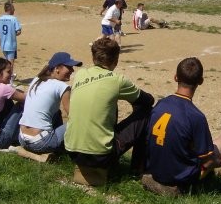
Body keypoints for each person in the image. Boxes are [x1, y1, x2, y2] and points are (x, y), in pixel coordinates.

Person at [144, 57, 221, 193]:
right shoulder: (196, 116)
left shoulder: (161, 104)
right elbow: (208, 162)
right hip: (179, 179)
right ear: (200, 81)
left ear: (175, 77)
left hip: (155, 170)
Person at [65, 38, 154, 174]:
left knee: (108, 104)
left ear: (93, 58)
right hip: (100, 156)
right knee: (147, 112)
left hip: (72, 152)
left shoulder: (80, 74)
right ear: (116, 60)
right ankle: (137, 168)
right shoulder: (117, 80)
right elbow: (148, 100)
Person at [18, 52, 82, 156]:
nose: (72, 70)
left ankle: (58, 146)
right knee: (78, 122)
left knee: (56, 112)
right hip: (41, 143)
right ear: (57, 68)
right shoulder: (62, 86)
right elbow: (73, 116)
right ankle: (75, 152)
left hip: (22, 139)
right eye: (69, 67)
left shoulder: (36, 80)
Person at [0, 1, 22, 77]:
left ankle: (6, 75)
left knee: (7, 61)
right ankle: (10, 78)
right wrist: (14, 33)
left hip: (3, 45)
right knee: (10, 63)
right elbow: (18, 31)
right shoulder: (14, 19)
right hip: (11, 45)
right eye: (13, 9)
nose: (14, 10)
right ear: (11, 9)